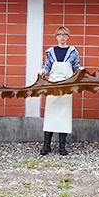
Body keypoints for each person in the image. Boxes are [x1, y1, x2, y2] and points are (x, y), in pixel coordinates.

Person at [37, 26, 82, 156]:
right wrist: (43, 71)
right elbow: (47, 66)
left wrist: (80, 70)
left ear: (68, 37)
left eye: (64, 34)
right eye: (59, 34)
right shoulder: (50, 51)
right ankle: (47, 144)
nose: (62, 37)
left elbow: (76, 66)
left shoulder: (73, 51)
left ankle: (62, 145)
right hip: (53, 85)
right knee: (50, 115)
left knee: (64, 116)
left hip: (67, 87)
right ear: (56, 37)